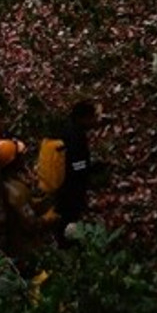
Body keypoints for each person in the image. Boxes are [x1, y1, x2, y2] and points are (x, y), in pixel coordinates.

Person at [0, 139, 58, 245]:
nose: (23, 159)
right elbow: (33, 224)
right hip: (24, 245)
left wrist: (48, 200)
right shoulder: (14, 193)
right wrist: (51, 216)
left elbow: (29, 203)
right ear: (13, 162)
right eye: (20, 156)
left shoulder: (11, 181)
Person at [53, 99, 100, 231]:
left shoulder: (68, 128)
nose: (94, 121)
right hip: (70, 186)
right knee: (69, 219)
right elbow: (75, 165)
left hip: (65, 184)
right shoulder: (75, 135)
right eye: (92, 117)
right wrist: (89, 168)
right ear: (83, 118)